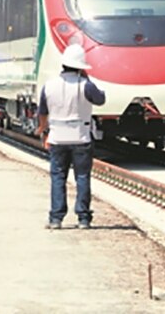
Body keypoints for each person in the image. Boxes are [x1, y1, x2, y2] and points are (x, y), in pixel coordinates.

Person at [34, 44, 106, 229]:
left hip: (57, 138)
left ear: (63, 64)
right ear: (81, 66)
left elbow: (42, 112)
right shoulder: (86, 86)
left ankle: (56, 218)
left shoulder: (49, 86)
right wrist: (87, 78)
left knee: (58, 177)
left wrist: (42, 129)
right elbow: (100, 99)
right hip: (81, 138)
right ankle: (83, 218)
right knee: (82, 177)